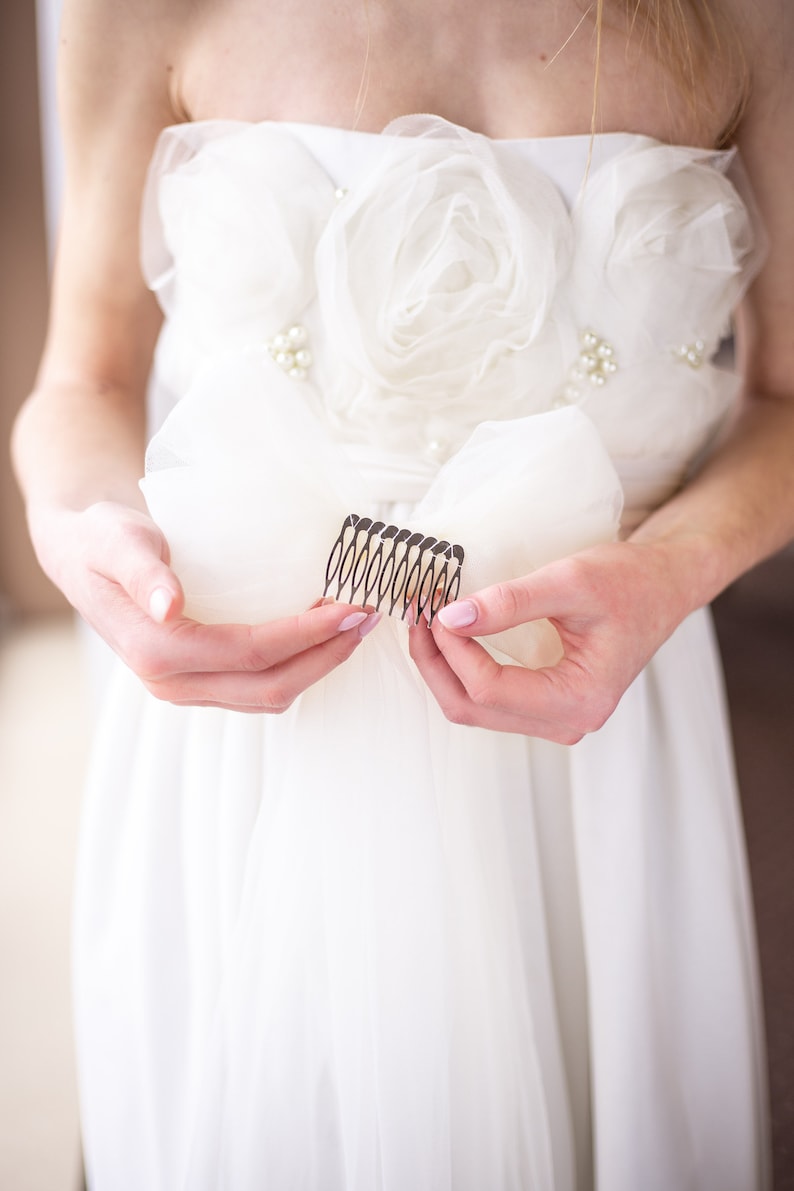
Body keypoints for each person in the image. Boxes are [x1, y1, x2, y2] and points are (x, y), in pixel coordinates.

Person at [11, 0, 792, 1186]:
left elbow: (783, 401)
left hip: (586, 717)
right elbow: (85, 375)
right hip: (247, 735)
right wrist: (84, 542)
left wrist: (663, 573)